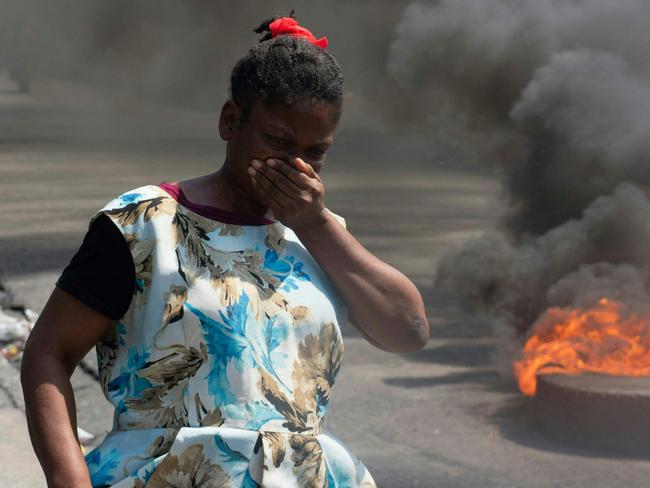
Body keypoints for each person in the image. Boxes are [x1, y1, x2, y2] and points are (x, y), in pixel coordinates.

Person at [20, 12, 429, 488]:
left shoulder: (321, 236)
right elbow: (48, 352)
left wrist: (314, 224)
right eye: (277, 140)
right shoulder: (144, 225)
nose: (295, 163)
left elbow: (409, 330)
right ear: (230, 122)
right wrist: (68, 480)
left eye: (315, 152)